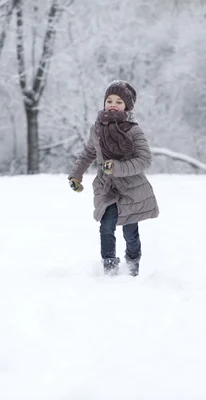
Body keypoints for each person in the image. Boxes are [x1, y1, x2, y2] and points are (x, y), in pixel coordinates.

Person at [68, 80, 159, 276]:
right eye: (109, 100)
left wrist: (117, 168)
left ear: (127, 106)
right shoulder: (97, 129)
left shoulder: (133, 130)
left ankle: (133, 266)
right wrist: (76, 175)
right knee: (106, 226)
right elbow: (88, 154)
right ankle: (109, 269)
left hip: (131, 188)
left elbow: (144, 160)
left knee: (130, 233)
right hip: (107, 188)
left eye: (118, 101)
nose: (113, 104)